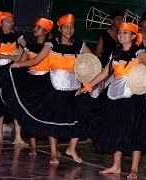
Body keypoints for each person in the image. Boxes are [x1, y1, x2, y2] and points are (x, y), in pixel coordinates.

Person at [76, 22, 146, 179]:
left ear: (134, 36)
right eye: (120, 32)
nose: (121, 35)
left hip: (134, 96)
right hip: (115, 95)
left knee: (135, 129)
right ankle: (116, 166)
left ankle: (134, 168)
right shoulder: (115, 53)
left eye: (126, 33)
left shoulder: (139, 52)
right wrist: (87, 86)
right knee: (117, 129)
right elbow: (104, 72)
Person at [46, 14, 92, 164]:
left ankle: (71, 148)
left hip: (74, 88)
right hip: (55, 86)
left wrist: (88, 82)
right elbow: (38, 60)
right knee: (54, 119)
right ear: (59, 28)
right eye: (66, 27)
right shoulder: (51, 44)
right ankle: (53, 152)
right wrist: (20, 65)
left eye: (72, 26)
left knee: (81, 117)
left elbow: (92, 61)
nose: (69, 29)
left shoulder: (79, 45)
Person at [8, 18, 54, 155]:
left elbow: (36, 60)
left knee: (47, 113)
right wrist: (13, 66)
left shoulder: (51, 45)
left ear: (46, 31)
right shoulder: (29, 44)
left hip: (46, 81)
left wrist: (18, 64)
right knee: (30, 111)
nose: (35, 29)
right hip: (30, 80)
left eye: (39, 27)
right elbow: (23, 61)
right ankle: (33, 146)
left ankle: (53, 150)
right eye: (35, 26)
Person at [0, 11, 26, 145]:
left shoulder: (16, 35)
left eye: (12, 21)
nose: (10, 23)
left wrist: (20, 61)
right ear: (1, 22)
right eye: (8, 20)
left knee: (15, 100)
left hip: (12, 71)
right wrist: (10, 57)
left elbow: (27, 48)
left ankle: (18, 137)